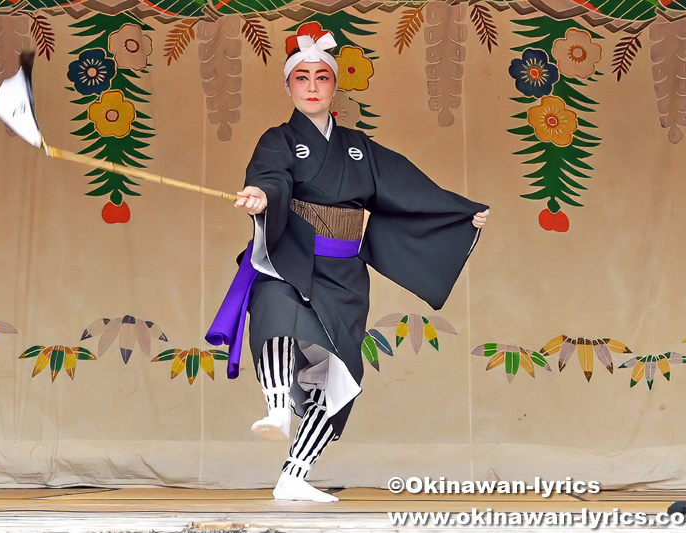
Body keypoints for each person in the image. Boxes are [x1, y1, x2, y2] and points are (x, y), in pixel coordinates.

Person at [207, 23, 489, 503]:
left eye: (321, 77)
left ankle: (295, 475)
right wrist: (262, 196)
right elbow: (271, 177)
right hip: (290, 256)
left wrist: (459, 213)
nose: (312, 86)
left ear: (334, 86)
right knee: (275, 311)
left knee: (340, 377)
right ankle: (276, 407)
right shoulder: (278, 140)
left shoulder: (359, 147)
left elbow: (408, 188)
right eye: (302, 77)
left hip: (343, 274)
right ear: (289, 85)